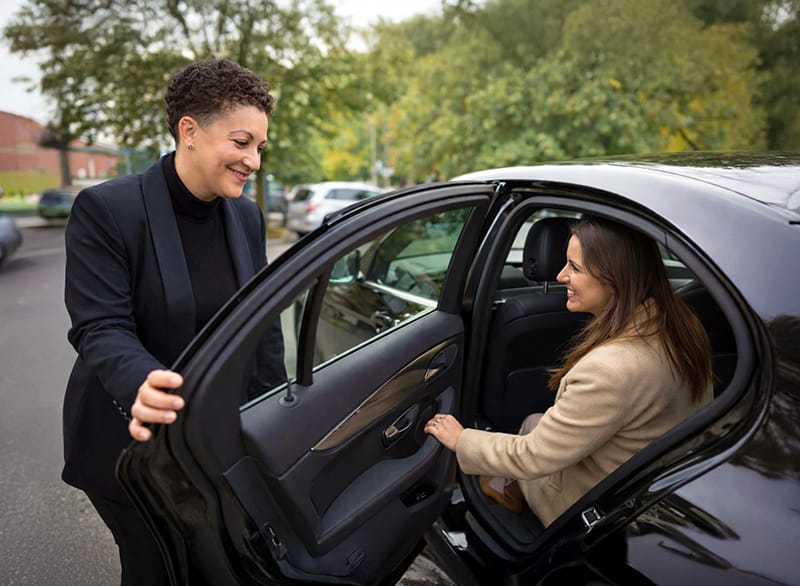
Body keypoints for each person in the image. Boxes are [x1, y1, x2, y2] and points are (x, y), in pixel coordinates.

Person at [62, 57, 285, 585]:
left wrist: (278, 415)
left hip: (213, 446)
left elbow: (261, 326)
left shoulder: (246, 216)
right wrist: (142, 382)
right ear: (189, 130)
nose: (253, 160)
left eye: (259, 147)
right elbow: (100, 327)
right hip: (129, 449)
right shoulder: (107, 209)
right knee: (157, 570)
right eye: (240, 141)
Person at [425, 216, 713, 527]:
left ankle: (501, 489)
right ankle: (503, 485)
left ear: (614, 277)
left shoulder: (610, 370)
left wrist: (461, 439)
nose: (561, 276)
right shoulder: (680, 324)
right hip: (656, 483)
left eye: (574, 267)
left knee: (526, 434)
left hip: (591, 505)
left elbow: (532, 456)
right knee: (533, 421)